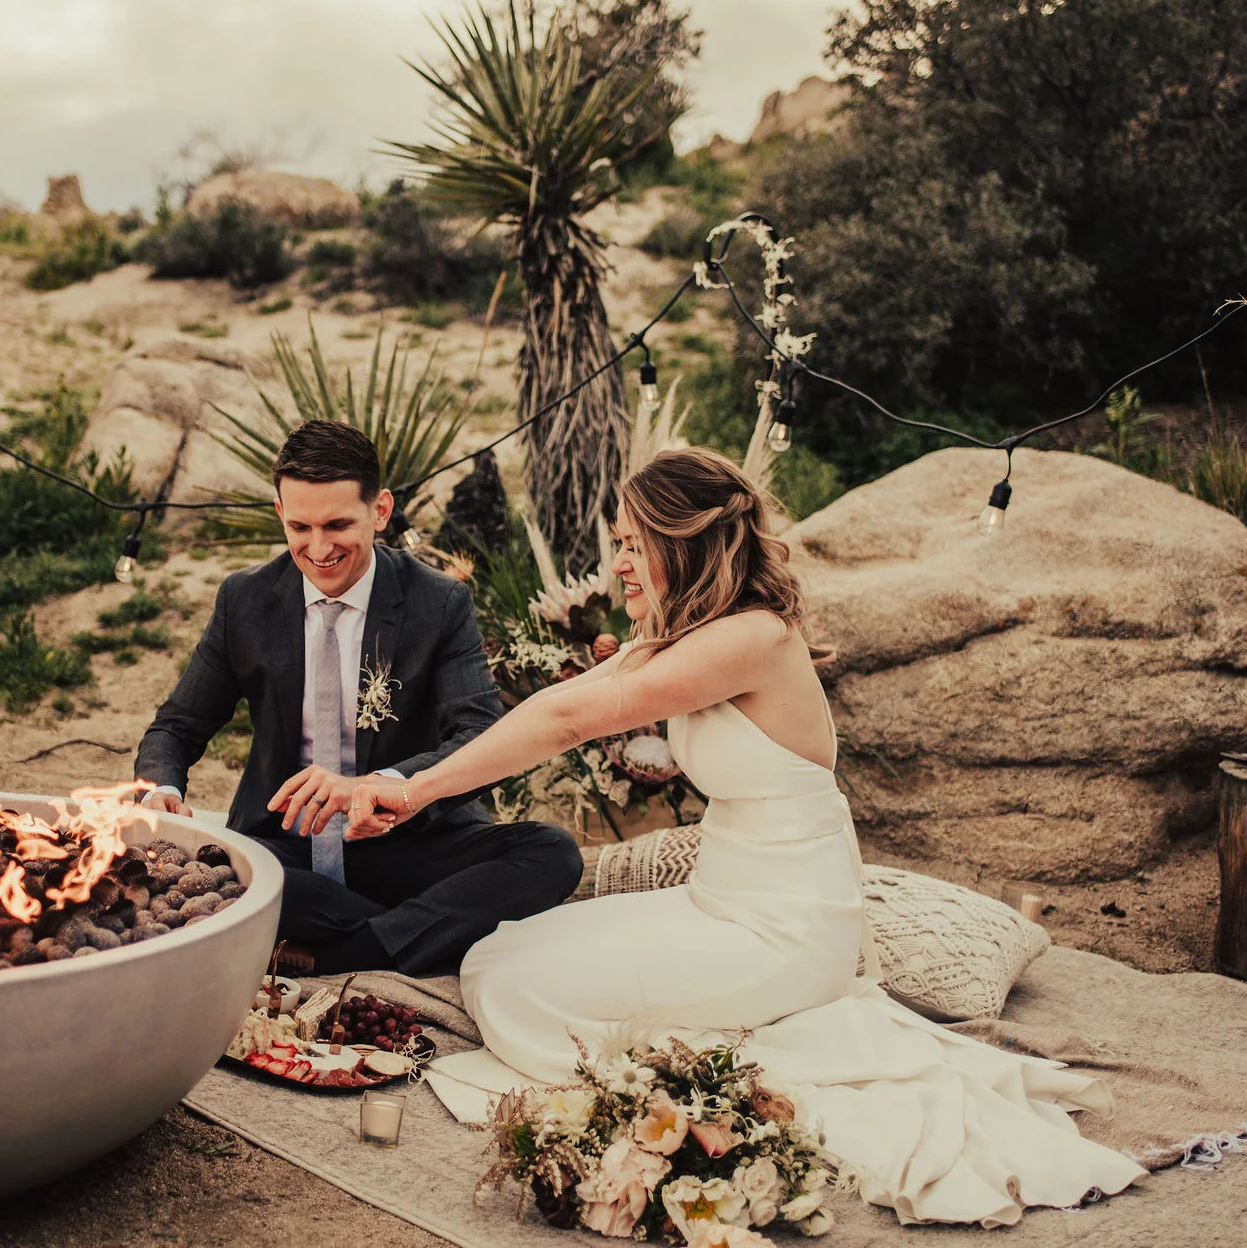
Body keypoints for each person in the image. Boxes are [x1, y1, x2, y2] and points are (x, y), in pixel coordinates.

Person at [342, 448, 1146, 1227]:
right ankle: (712, 1038)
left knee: (523, 993)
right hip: (719, 900)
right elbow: (565, 702)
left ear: (681, 543)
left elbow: (566, 719)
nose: (618, 563)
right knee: (499, 957)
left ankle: (722, 1071)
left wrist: (412, 790)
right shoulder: (686, 635)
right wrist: (410, 784)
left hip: (787, 930)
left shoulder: (752, 638)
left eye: (631, 544)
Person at [134, 418, 582, 976]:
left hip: (411, 840)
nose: (318, 549)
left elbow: (480, 735)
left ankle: (341, 952)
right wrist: (161, 792)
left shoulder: (437, 603)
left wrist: (385, 788)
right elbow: (176, 726)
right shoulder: (244, 601)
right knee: (228, 872)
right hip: (286, 847)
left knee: (551, 854)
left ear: (381, 511)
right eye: (300, 526)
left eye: (338, 524)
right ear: (279, 514)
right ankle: (420, 931)